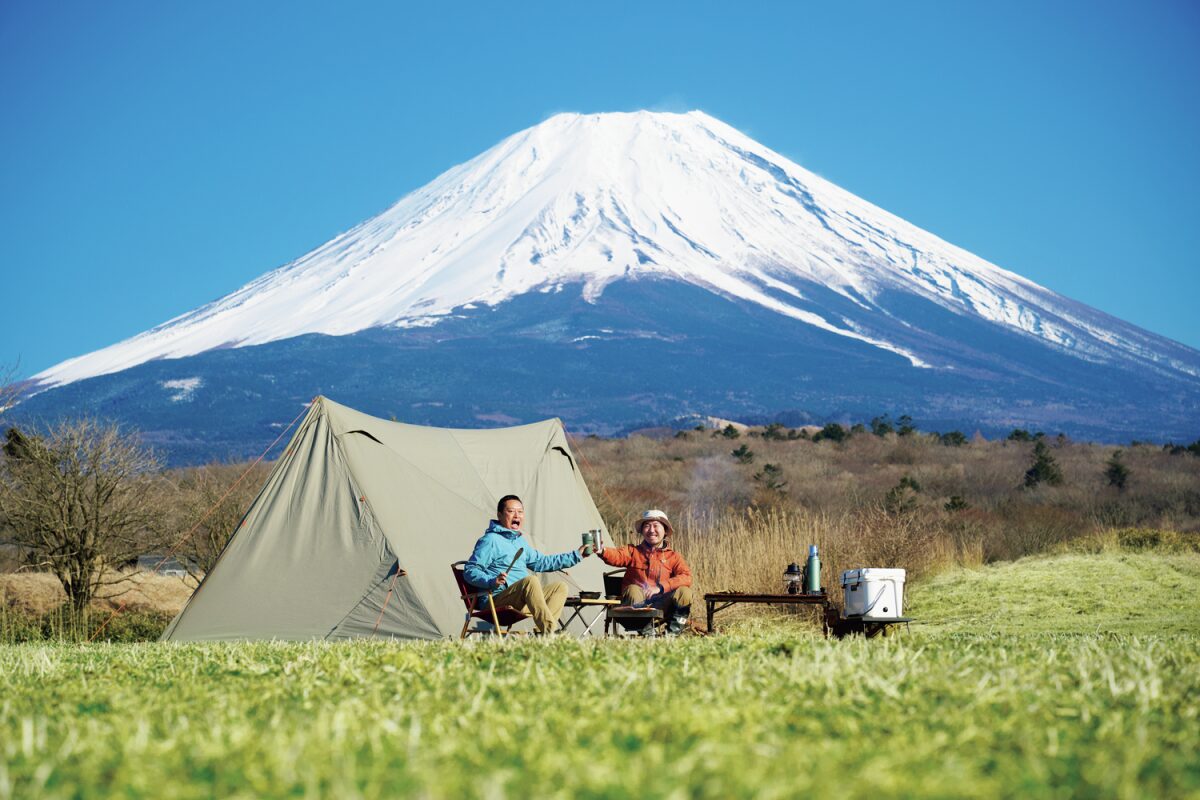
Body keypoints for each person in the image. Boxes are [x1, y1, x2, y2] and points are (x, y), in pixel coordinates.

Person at [463, 494, 592, 635]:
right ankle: (550, 632)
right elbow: (470, 570)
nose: (517, 515)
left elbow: (542, 562)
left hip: (521, 599)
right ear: (499, 515)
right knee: (530, 581)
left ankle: (541, 634)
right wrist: (491, 581)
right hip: (495, 600)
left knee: (560, 587)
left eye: (520, 511)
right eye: (511, 511)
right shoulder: (490, 540)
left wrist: (577, 555)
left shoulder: (520, 541)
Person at [597, 509, 693, 635]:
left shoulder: (674, 557)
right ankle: (648, 634)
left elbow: (686, 577)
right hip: (633, 607)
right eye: (647, 526)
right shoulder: (632, 551)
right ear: (642, 531)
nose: (651, 530)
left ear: (665, 531)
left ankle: (671, 635)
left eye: (656, 526)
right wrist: (602, 551)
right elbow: (617, 556)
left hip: (662, 607)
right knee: (633, 589)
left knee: (685, 592)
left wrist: (660, 587)